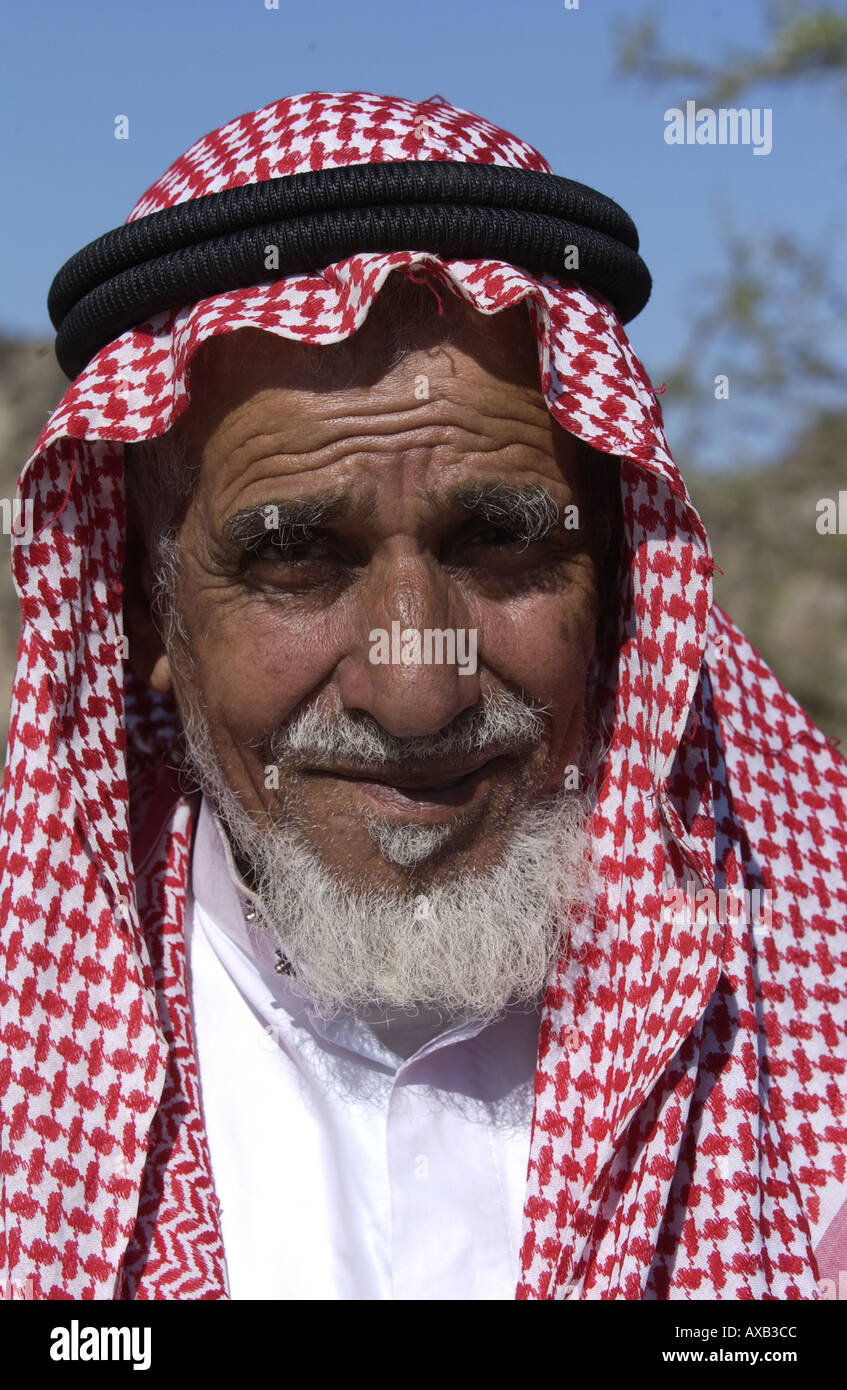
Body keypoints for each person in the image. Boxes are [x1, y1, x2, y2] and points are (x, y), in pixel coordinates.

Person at [1, 90, 845, 1302]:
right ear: (149, 613)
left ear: (615, 579)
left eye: (500, 542)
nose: (414, 691)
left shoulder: (812, 992)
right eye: (296, 557)